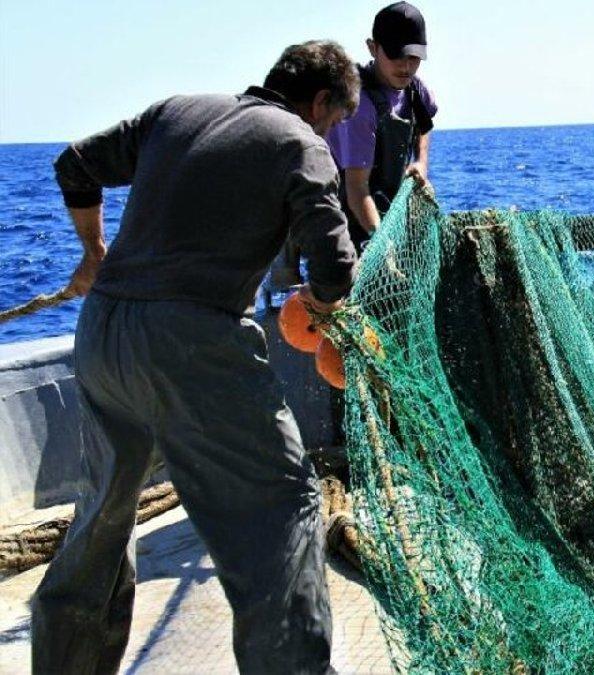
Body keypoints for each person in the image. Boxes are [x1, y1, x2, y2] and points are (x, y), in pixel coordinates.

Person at [31, 41, 360, 674]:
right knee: (282, 507)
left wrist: (93, 249)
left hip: (104, 335)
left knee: (101, 519)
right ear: (320, 101)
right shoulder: (299, 142)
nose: (330, 133)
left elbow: (75, 164)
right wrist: (318, 309)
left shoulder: (175, 112)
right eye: (335, 120)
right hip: (197, 344)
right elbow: (336, 267)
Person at [330, 0, 439, 249]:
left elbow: (425, 125)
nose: (406, 65)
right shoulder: (359, 108)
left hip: (381, 201)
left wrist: (421, 161)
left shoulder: (417, 91)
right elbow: (357, 189)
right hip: (344, 207)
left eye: (414, 57)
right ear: (372, 48)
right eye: (395, 55)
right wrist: (383, 245)